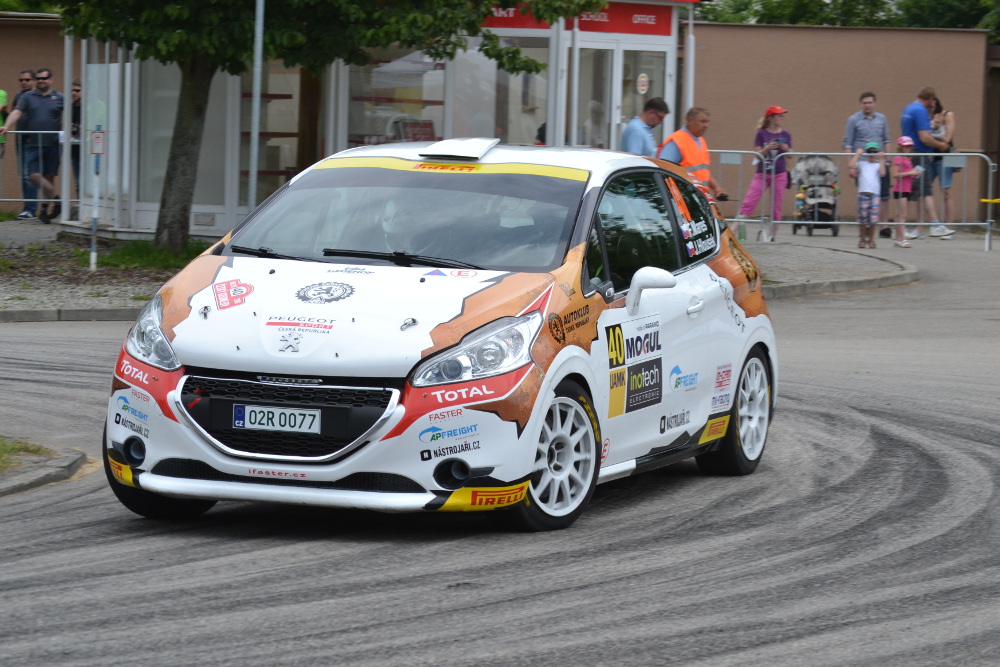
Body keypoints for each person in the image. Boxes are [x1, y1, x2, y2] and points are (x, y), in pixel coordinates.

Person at [0, 67, 64, 224]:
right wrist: (7, 126)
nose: (41, 81)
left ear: (51, 80)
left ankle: (45, 210)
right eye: (38, 78)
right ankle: (57, 201)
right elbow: (16, 112)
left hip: (53, 144)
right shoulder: (28, 97)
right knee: (33, 174)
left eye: (44, 78)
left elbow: (69, 114)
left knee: (49, 177)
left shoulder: (59, 97)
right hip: (34, 143)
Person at [899, 86, 951, 239]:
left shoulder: (908, 108)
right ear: (929, 99)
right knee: (924, 189)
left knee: (916, 190)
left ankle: (904, 226)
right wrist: (941, 145)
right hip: (919, 154)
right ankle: (933, 225)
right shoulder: (920, 111)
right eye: (932, 102)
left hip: (911, 153)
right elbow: (924, 137)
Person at [736, 105, 792, 241]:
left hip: (779, 174)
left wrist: (785, 149)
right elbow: (757, 155)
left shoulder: (786, 134)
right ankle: (732, 232)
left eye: (783, 116)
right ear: (771, 118)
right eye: (779, 116)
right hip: (762, 173)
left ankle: (772, 236)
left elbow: (791, 155)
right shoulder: (761, 134)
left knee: (776, 207)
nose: (782, 118)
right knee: (748, 202)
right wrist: (767, 148)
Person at [657, 106, 728, 201]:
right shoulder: (677, 141)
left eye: (707, 122)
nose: (706, 125)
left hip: (698, 197)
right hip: (683, 198)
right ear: (689, 120)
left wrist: (716, 188)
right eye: (702, 121)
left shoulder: (700, 140)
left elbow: (703, 171)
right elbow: (664, 171)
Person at [849, 142, 886, 248]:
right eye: (869, 152)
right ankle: (862, 239)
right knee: (863, 218)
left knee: (873, 219)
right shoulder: (862, 163)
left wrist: (881, 159)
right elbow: (851, 165)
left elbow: (883, 173)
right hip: (863, 193)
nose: (872, 154)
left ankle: (871, 240)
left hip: (874, 194)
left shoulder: (878, 165)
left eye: (874, 152)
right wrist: (857, 154)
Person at [12, 70, 38, 219]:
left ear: (34, 81)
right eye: (21, 80)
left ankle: (31, 209)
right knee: (23, 175)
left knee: (30, 175)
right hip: (20, 140)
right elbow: (14, 114)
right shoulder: (18, 96)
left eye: (27, 80)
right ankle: (27, 207)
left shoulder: (36, 96)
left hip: (32, 141)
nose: (24, 82)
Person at [930, 97, 957, 231]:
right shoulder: (927, 117)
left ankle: (949, 227)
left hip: (945, 156)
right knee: (923, 190)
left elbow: (947, 139)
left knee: (946, 192)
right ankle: (928, 224)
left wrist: (933, 132)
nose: (930, 108)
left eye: (932, 106)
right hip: (930, 157)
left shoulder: (947, 115)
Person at [890, 136, 920, 248]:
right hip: (900, 189)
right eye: (905, 146)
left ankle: (898, 239)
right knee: (902, 214)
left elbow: (906, 174)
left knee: (900, 214)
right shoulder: (899, 158)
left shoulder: (907, 159)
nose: (907, 148)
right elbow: (895, 174)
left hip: (906, 188)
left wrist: (914, 174)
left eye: (909, 146)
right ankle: (902, 239)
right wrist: (911, 173)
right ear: (900, 147)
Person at [69, 79, 82, 209]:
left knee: (87, 181)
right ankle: (81, 206)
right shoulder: (71, 108)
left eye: (77, 90)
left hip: (87, 150)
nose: (74, 93)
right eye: (72, 90)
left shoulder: (88, 107)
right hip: (75, 149)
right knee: (78, 181)